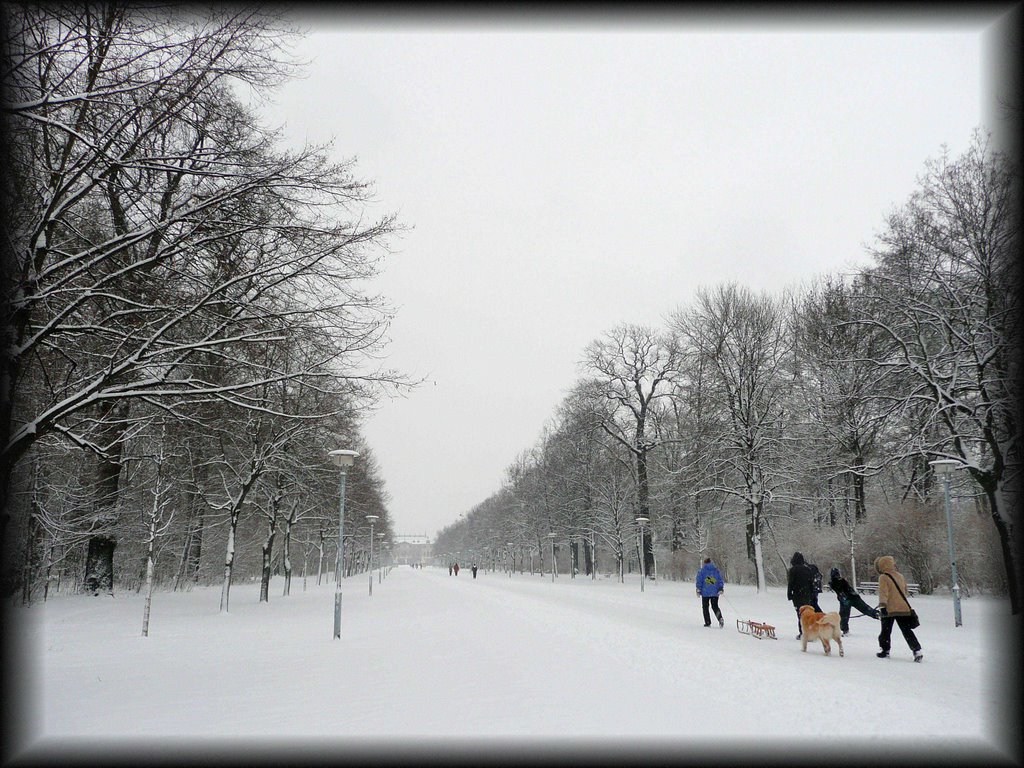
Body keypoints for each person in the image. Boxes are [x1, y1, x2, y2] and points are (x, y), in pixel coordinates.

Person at [874, 555, 923, 662]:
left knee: (885, 631)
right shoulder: (900, 576)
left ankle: (885, 651)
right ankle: (917, 650)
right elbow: (905, 591)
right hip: (903, 608)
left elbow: (883, 592)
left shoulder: (883, 577)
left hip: (889, 609)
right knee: (906, 631)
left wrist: (882, 605)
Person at [829, 566, 879, 635]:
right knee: (865, 609)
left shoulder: (833, 582)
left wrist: (842, 598)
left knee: (844, 615)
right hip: (854, 597)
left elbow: (840, 591)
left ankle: (844, 630)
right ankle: (877, 614)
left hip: (845, 600)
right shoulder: (842, 580)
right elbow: (847, 588)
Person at [787, 551, 821, 639]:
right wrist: (812, 593)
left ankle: (803, 633)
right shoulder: (807, 569)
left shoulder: (792, 570)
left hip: (797, 595)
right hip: (807, 594)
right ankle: (812, 632)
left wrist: (789, 594)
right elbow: (811, 583)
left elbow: (791, 583)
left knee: (801, 614)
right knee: (809, 614)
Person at [695, 557, 725, 627]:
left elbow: (699, 581)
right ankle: (720, 618)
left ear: (705, 563)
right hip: (715, 593)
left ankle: (707, 622)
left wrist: (698, 589)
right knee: (715, 606)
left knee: (705, 607)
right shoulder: (716, 570)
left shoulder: (702, 571)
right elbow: (720, 580)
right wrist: (720, 588)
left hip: (705, 593)